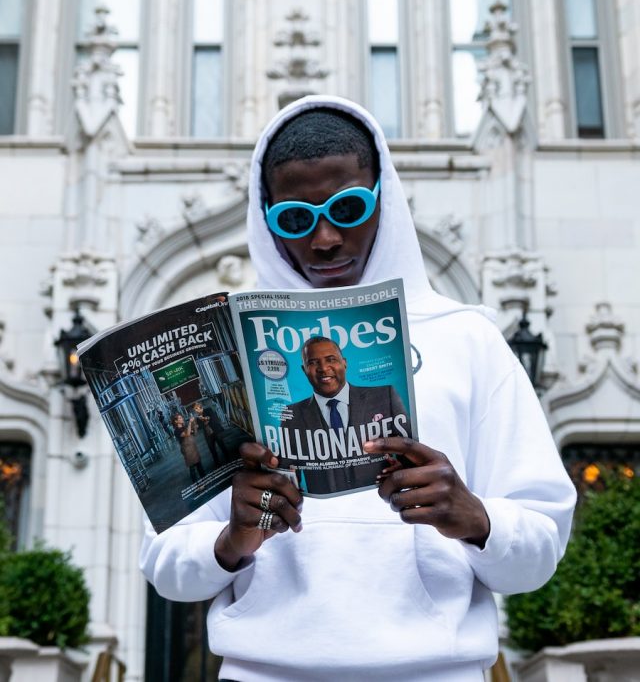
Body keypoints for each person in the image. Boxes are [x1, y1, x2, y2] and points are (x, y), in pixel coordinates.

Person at [141, 95, 576, 682]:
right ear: (263, 217)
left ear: (384, 201)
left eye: (347, 209)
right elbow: (166, 566)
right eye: (294, 218)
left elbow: (541, 548)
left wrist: (474, 516)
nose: (324, 239)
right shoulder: (232, 355)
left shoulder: (469, 338)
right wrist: (230, 540)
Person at [280, 336, 408, 494]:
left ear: (344, 363)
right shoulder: (292, 414)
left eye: (331, 359)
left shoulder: (384, 395)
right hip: (325, 511)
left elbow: (411, 453)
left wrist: (403, 470)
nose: (323, 368)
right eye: (313, 363)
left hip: (380, 500)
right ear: (304, 370)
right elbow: (286, 479)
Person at [193, 400, 233, 467]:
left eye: (197, 408)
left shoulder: (208, 410)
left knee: (222, 446)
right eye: (195, 409)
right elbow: (200, 427)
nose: (196, 410)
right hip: (208, 434)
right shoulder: (197, 418)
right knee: (212, 450)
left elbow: (209, 418)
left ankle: (229, 460)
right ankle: (217, 464)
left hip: (215, 431)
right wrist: (195, 424)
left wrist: (203, 419)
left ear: (200, 407)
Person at [171, 413, 206, 484]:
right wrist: (190, 423)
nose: (182, 419)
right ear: (176, 421)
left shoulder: (184, 427)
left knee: (199, 465)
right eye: (180, 418)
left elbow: (194, 433)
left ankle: (205, 480)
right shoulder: (177, 431)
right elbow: (187, 434)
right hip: (187, 450)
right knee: (192, 467)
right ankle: (197, 485)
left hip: (193, 448)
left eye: (181, 417)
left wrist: (194, 424)